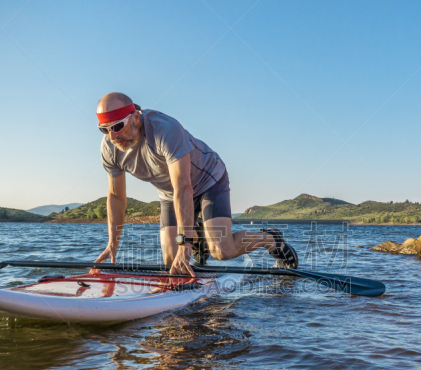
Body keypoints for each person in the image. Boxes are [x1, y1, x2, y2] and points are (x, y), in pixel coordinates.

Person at [92, 92, 299, 277]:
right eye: (104, 130)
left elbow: (184, 186)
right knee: (171, 262)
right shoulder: (110, 148)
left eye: (117, 126)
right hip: (170, 194)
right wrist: (112, 244)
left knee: (221, 250)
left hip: (208, 181)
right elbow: (116, 197)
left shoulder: (165, 130)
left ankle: (270, 238)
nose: (112, 136)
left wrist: (185, 242)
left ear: (136, 117)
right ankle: (197, 233)